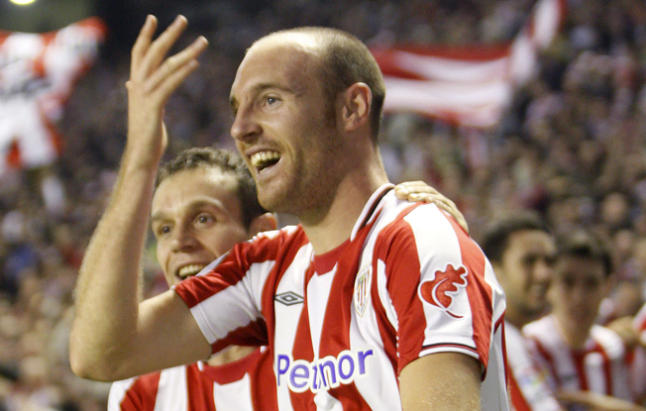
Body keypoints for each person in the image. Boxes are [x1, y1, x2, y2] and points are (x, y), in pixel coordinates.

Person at [70, 15, 508, 410]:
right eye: (237, 109)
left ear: (352, 108)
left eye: (270, 100)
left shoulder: (415, 242)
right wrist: (141, 161)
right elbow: (100, 353)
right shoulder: (268, 270)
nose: (240, 128)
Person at [106, 147, 278, 410]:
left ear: (262, 234)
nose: (178, 242)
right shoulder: (141, 388)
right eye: (165, 229)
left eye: (202, 219)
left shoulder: (314, 340)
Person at [523, 230, 646, 410]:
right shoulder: (529, 347)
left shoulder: (615, 349)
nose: (579, 297)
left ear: (607, 287)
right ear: (549, 284)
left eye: (591, 283)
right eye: (568, 282)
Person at [480, 211, 563, 411]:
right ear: (493, 268)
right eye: (529, 261)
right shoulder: (485, 343)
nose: (544, 274)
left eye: (549, 262)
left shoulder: (519, 341)